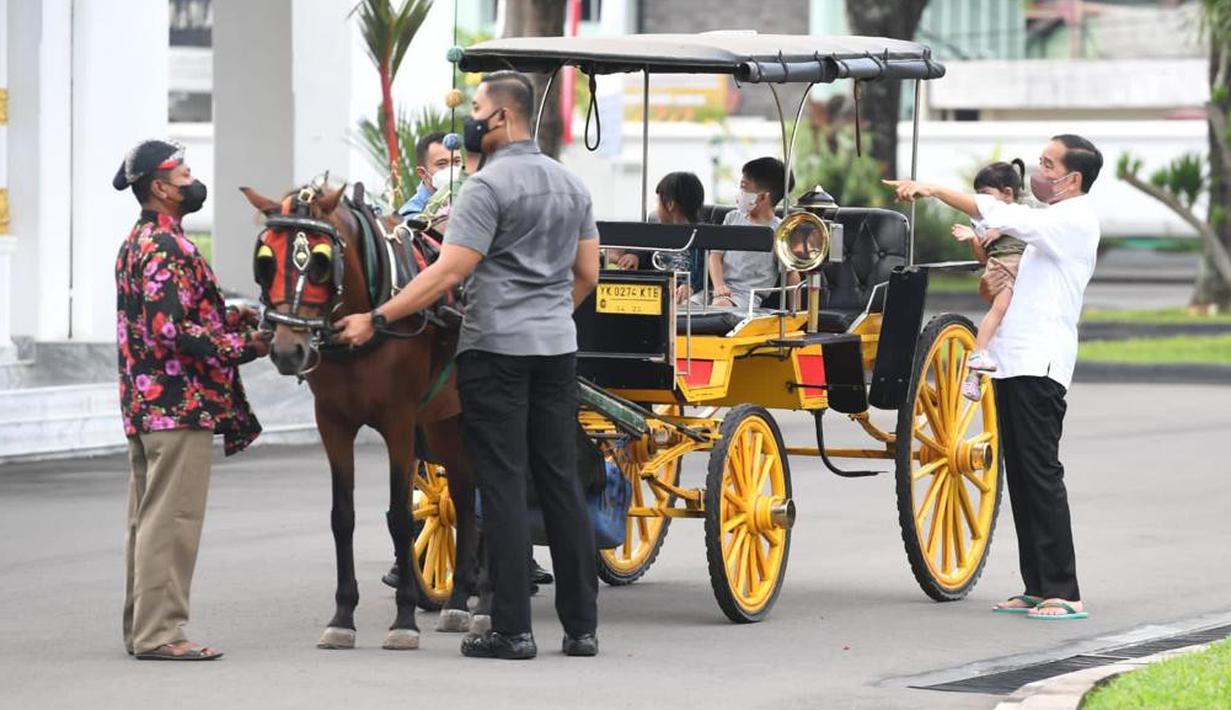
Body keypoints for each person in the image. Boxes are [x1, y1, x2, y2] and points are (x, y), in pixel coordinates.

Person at [335, 70, 602, 658]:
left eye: (476, 109)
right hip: (557, 350)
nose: (469, 121)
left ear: (502, 117)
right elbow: (587, 274)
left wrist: (376, 317)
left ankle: (512, 630)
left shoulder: (486, 187)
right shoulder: (571, 185)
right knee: (558, 481)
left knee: (501, 484)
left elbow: (448, 271)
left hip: (496, 349)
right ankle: (582, 630)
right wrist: (551, 315)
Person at [885, 133, 1104, 621]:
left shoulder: (1072, 219)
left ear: (1072, 179)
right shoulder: (1055, 220)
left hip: (1039, 364)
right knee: (1022, 477)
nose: (1038, 173)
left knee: (1040, 474)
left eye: (1048, 165)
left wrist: (933, 189)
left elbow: (1004, 215)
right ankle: (1037, 586)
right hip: (1015, 359)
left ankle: (1064, 591)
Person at [112, 139, 270, 660]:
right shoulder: (166, 246)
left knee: (149, 521)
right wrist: (245, 346)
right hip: (178, 403)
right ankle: (161, 634)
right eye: (183, 175)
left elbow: (172, 316)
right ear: (160, 187)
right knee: (172, 522)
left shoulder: (139, 241)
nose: (192, 181)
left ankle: (143, 629)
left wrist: (231, 317)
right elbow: (171, 330)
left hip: (149, 403)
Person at [950, 159, 1029, 401]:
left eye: (985, 194)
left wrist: (1000, 228)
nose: (980, 201)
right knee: (999, 309)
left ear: (1007, 193)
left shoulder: (1023, 211)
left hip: (1020, 268)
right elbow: (983, 257)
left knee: (1001, 329)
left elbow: (1023, 221)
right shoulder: (982, 221)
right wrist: (974, 238)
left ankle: (973, 377)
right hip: (1003, 267)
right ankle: (977, 354)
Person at [709, 157, 798, 309]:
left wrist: (795, 312)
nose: (740, 193)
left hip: (746, 297)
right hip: (717, 291)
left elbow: (791, 273)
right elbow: (715, 256)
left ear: (762, 197)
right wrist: (719, 287)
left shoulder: (780, 231)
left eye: (744, 187)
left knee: (721, 305)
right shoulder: (732, 218)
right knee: (678, 304)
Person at [607, 172, 707, 304]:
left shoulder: (700, 234)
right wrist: (635, 256)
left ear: (670, 205)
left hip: (684, 292)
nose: (656, 207)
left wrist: (690, 285)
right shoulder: (656, 226)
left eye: (658, 201)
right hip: (657, 287)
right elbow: (645, 248)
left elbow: (702, 269)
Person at [397, 131, 464, 218]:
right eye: (442, 164)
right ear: (422, 173)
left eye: (457, 161)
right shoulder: (412, 215)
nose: (452, 169)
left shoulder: (470, 198)